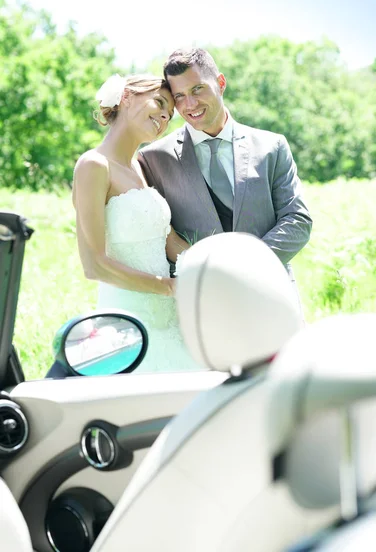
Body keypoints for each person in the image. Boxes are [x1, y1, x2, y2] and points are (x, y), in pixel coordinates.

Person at [46, 73, 199, 378]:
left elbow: (171, 244)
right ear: (127, 96)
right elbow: (95, 265)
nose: (165, 116)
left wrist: (212, 265)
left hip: (170, 320)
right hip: (128, 324)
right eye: (159, 102)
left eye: (169, 114)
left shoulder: (140, 168)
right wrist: (168, 287)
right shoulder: (93, 165)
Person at [138, 48, 312, 303]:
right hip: (202, 305)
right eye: (180, 96)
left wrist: (247, 270)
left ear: (220, 83)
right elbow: (159, 236)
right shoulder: (154, 159)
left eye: (198, 89)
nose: (191, 104)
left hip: (273, 296)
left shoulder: (272, 146)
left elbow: (297, 220)